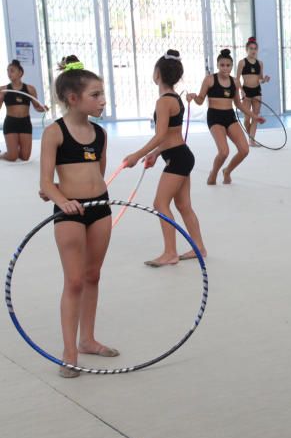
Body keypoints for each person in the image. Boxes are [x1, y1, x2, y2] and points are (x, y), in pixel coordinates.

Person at [38, 56, 118, 378]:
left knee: (93, 276)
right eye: (95, 95)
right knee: (73, 281)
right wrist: (60, 198)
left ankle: (87, 339)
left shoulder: (100, 134)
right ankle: (69, 350)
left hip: (100, 208)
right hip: (69, 211)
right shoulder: (54, 133)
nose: (102, 100)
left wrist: (80, 191)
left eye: (102, 94)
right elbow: (45, 181)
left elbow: (98, 174)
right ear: (74, 99)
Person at [123, 51, 207, 267]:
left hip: (178, 158)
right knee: (183, 205)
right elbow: (170, 134)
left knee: (160, 203)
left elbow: (161, 135)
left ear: (157, 74)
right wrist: (155, 153)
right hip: (180, 155)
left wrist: (136, 155)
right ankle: (199, 246)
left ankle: (170, 252)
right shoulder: (174, 98)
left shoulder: (163, 102)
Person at [187, 49, 255, 185]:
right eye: (222, 65)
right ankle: (213, 173)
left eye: (228, 65)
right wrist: (193, 97)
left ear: (231, 66)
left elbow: (238, 104)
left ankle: (227, 171)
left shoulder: (235, 82)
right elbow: (200, 101)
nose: (225, 68)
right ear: (218, 65)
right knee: (224, 152)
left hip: (229, 116)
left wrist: (255, 116)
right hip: (215, 117)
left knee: (244, 150)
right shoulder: (209, 79)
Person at [1, 59, 48, 161]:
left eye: (12, 70)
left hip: (25, 123)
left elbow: (37, 107)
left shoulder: (30, 89)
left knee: (25, 157)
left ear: (20, 73)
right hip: (11, 123)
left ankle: (14, 147)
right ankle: (4, 154)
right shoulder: (3, 90)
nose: (9, 73)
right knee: (12, 157)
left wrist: (43, 108)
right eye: (8, 71)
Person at [236, 37, 270, 147]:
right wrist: (241, 91)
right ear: (247, 49)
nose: (253, 51)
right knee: (246, 119)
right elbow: (236, 79)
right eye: (251, 48)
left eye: (255, 49)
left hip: (257, 92)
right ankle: (251, 137)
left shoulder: (260, 63)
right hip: (246, 92)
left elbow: (259, 79)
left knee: (255, 116)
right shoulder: (242, 63)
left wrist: (264, 80)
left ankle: (251, 140)